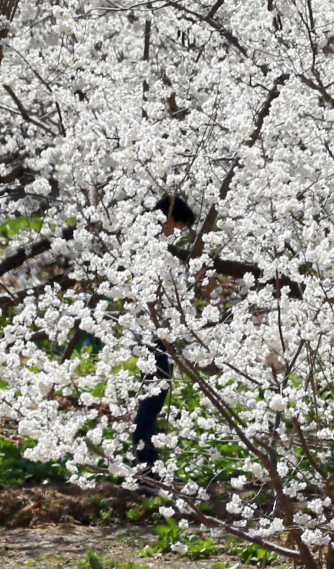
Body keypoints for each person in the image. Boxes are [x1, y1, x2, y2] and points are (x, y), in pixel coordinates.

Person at [130, 194, 197, 491]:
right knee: (150, 402)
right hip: (153, 336)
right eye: (178, 225)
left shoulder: (147, 245)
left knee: (152, 401)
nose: (178, 231)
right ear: (167, 218)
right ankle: (145, 470)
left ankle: (150, 467)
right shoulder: (149, 248)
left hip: (154, 334)